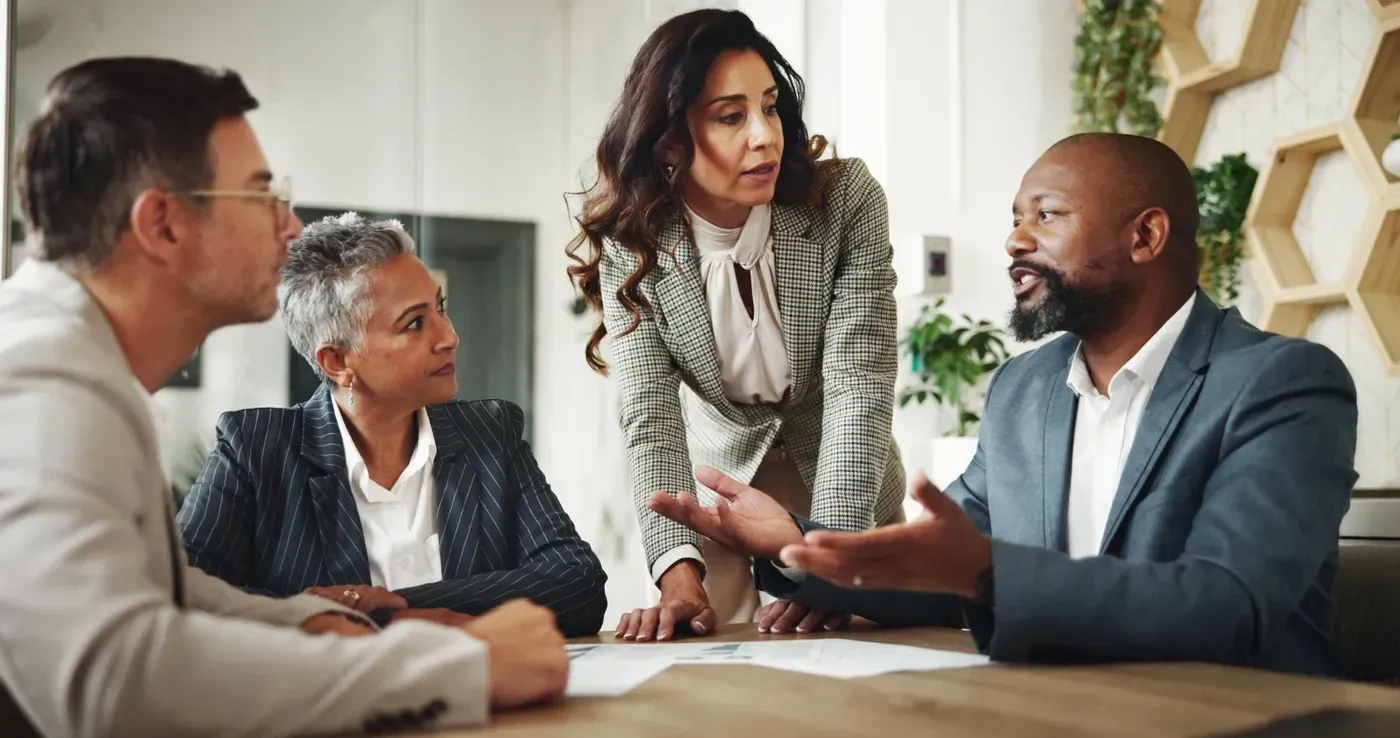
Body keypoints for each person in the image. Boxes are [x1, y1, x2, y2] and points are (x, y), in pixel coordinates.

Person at [648, 132, 1359, 676]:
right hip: (1051, 709)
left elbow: (1226, 606)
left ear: (1146, 236)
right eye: (1016, 218)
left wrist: (983, 571)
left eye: (1046, 217)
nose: (1015, 241)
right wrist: (800, 547)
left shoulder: (1282, 383)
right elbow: (946, 571)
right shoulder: (1027, 389)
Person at [0, 57, 567, 738]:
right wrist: (457, 669)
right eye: (261, 195)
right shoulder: (40, 380)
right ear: (163, 224)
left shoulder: (76, 365)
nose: (292, 226)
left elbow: (179, 589)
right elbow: (114, 681)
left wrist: (324, 620)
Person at [567, 8, 905, 642]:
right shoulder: (632, 240)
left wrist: (827, 561)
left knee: (866, 663)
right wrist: (676, 570)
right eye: (731, 116)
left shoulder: (847, 200)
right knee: (706, 653)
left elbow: (859, 385)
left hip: (846, 476)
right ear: (669, 141)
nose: (765, 136)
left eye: (771, 108)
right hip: (719, 487)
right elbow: (650, 415)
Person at [179, 212, 608, 638]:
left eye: (440, 308)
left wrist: (394, 609)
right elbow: (182, 600)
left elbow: (578, 584)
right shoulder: (255, 451)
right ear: (338, 361)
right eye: (415, 323)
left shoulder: (490, 433)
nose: (449, 337)